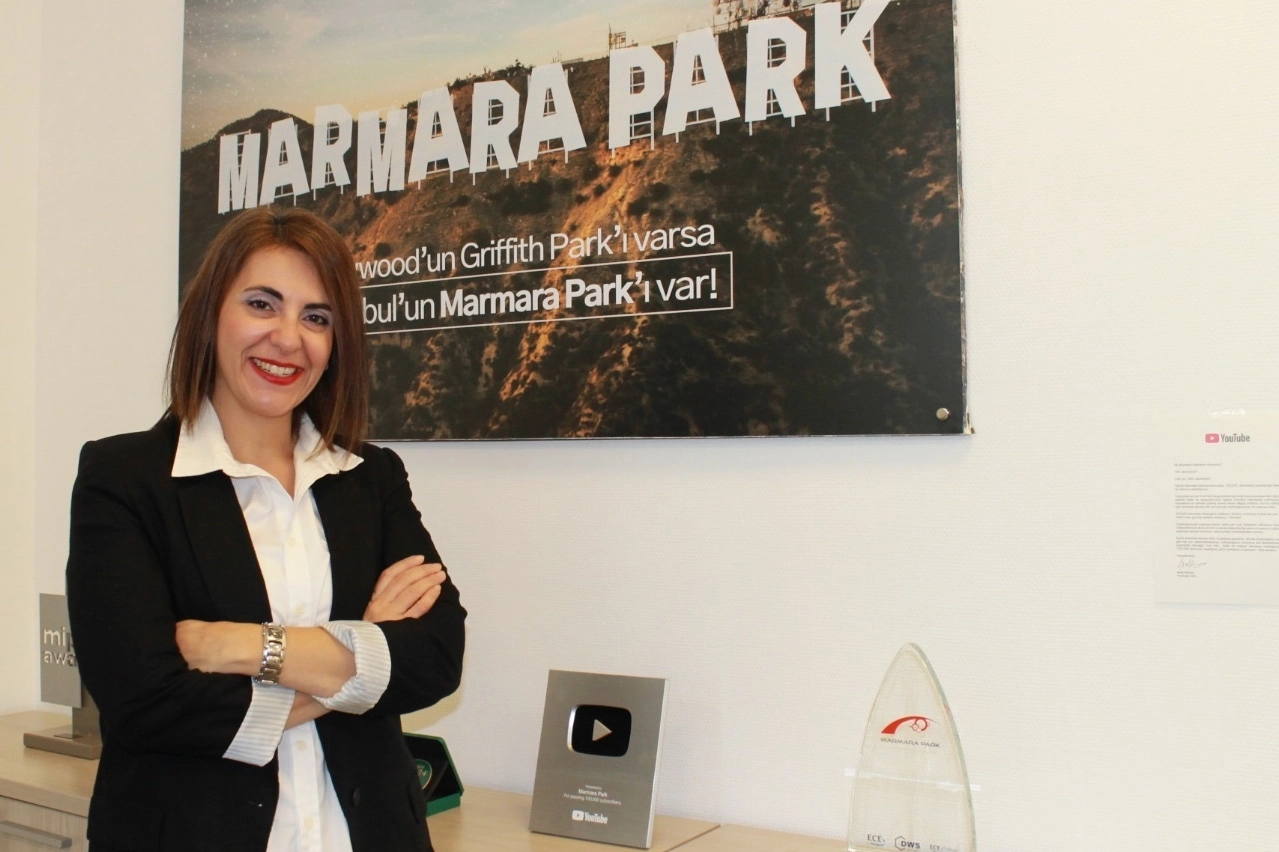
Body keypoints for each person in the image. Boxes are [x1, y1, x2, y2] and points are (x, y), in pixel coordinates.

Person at [66, 207, 466, 852]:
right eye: (262, 304)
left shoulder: (370, 478)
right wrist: (362, 657)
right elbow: (146, 704)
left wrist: (242, 646)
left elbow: (436, 658)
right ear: (210, 315)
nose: (288, 338)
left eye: (317, 317)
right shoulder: (125, 478)